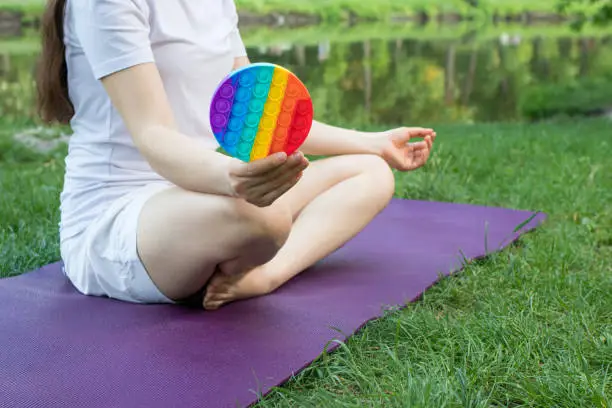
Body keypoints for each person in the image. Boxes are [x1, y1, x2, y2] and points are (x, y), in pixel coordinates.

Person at [37, 0, 437, 310]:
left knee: (371, 173)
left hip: (203, 191)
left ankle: (266, 275)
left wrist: (374, 143)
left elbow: (260, 118)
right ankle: (245, 241)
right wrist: (236, 178)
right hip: (121, 216)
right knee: (265, 214)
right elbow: (153, 134)